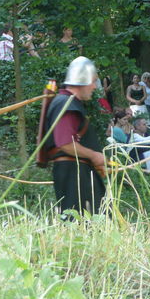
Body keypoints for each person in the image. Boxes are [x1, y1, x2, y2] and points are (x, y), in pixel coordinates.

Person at [44, 56, 106, 215]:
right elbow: (65, 143)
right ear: (82, 80)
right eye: (92, 81)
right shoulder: (66, 103)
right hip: (74, 176)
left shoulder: (69, 103)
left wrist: (97, 162)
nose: (94, 86)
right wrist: (94, 156)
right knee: (79, 225)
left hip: (79, 173)